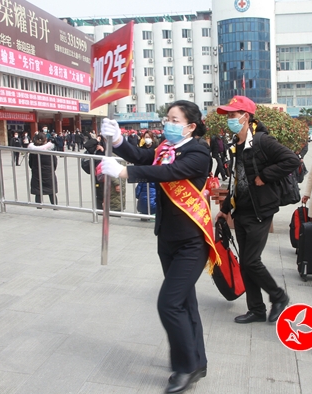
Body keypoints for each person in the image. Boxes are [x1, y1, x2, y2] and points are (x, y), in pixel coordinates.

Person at [99, 101, 214, 393]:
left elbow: (170, 173)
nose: (168, 124)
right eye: (167, 118)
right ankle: (197, 360)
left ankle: (185, 367)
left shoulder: (198, 153)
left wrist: (124, 173)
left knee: (169, 303)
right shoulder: (165, 148)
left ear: (190, 126)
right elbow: (143, 156)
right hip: (168, 238)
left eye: (175, 120)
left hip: (191, 242)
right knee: (185, 302)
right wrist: (118, 140)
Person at [214, 96, 299, 325]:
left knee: (251, 261)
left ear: (246, 116)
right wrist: (225, 209)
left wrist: (265, 176)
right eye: (228, 115)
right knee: (245, 262)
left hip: (260, 210)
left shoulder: (262, 141)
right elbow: (235, 180)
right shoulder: (236, 144)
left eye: (233, 115)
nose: (230, 119)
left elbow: (291, 160)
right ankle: (256, 309)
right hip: (241, 209)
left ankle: (278, 296)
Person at [28, 133, 57, 206]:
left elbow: (30, 163)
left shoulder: (33, 151)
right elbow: (54, 162)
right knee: (51, 192)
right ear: (45, 140)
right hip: (49, 173)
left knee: (38, 192)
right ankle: (55, 206)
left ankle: (39, 207)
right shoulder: (50, 150)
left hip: (37, 173)